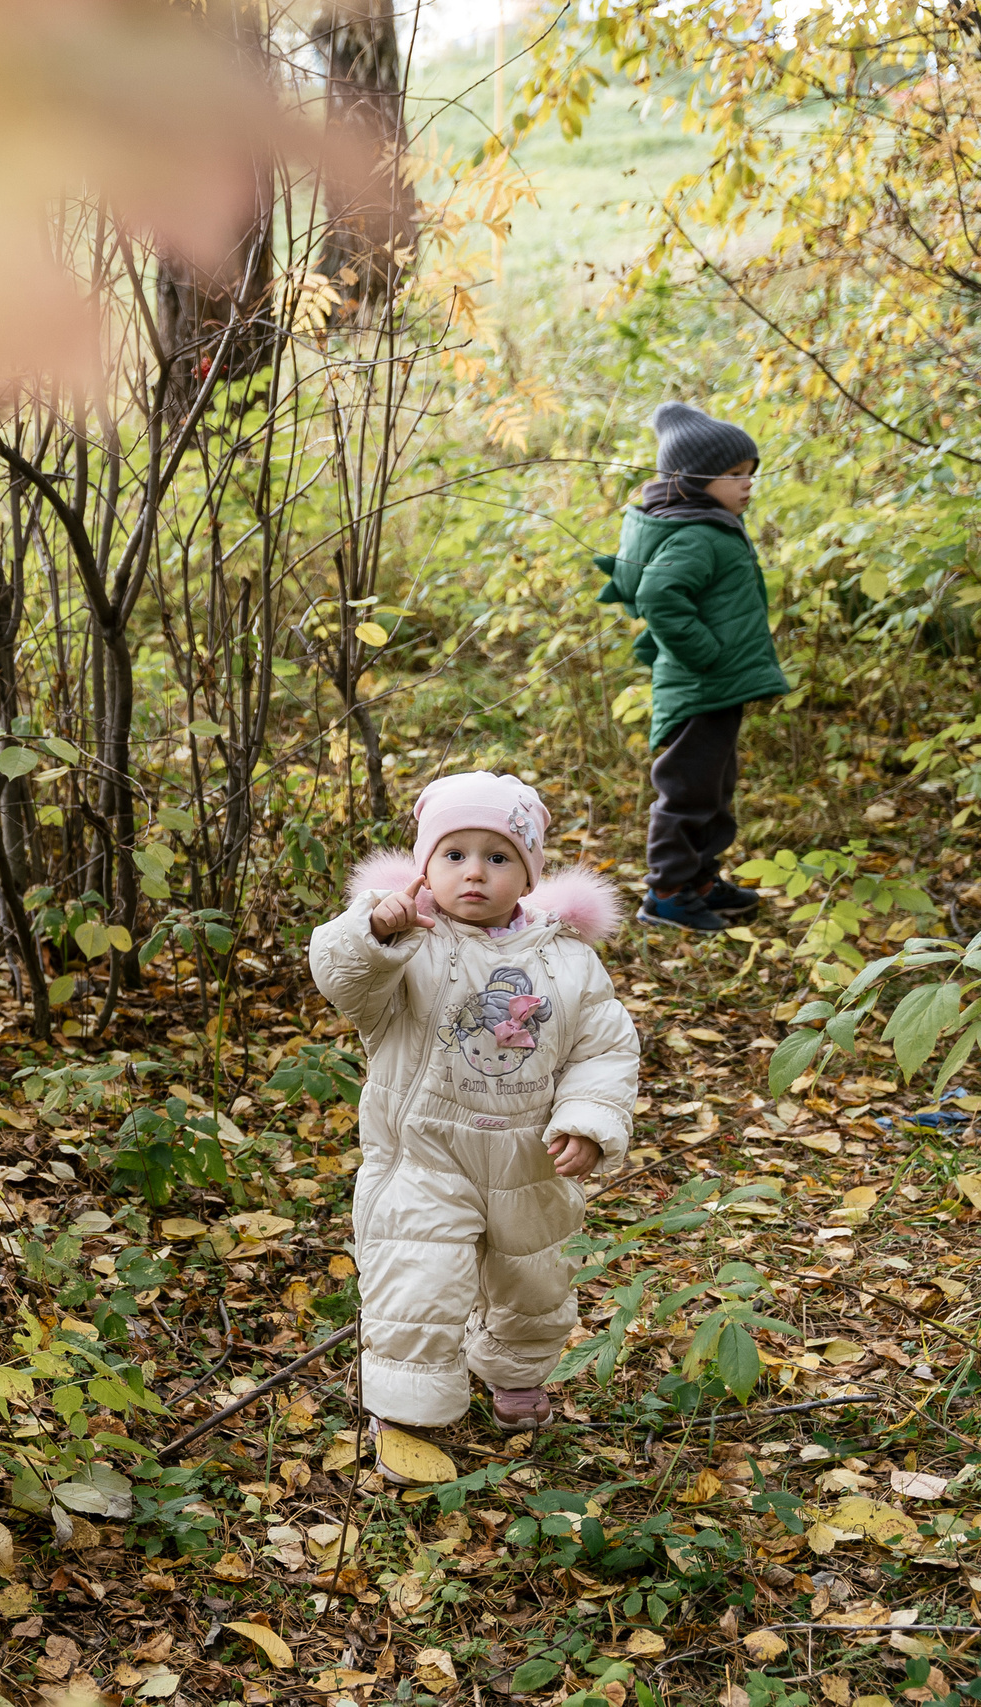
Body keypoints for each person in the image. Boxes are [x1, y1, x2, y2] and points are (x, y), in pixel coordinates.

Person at [310, 772, 640, 1461]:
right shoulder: (408, 943)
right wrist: (372, 930)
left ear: (527, 874)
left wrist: (586, 1119)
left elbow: (603, 1046)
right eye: (454, 853)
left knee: (534, 1275)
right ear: (425, 864)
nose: (474, 873)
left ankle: (516, 1375)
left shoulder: (567, 959)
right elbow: (341, 978)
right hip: (426, 1155)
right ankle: (406, 1412)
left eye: (498, 856)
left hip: (529, 1157)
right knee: (417, 1280)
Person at [594, 401, 793, 932]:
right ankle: (666, 892)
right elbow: (660, 595)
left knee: (715, 786)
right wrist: (706, 654)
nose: (747, 484)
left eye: (750, 473)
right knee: (687, 789)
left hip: (717, 687)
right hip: (701, 684)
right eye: (733, 475)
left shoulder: (709, 524)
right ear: (691, 480)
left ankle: (701, 878)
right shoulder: (695, 534)